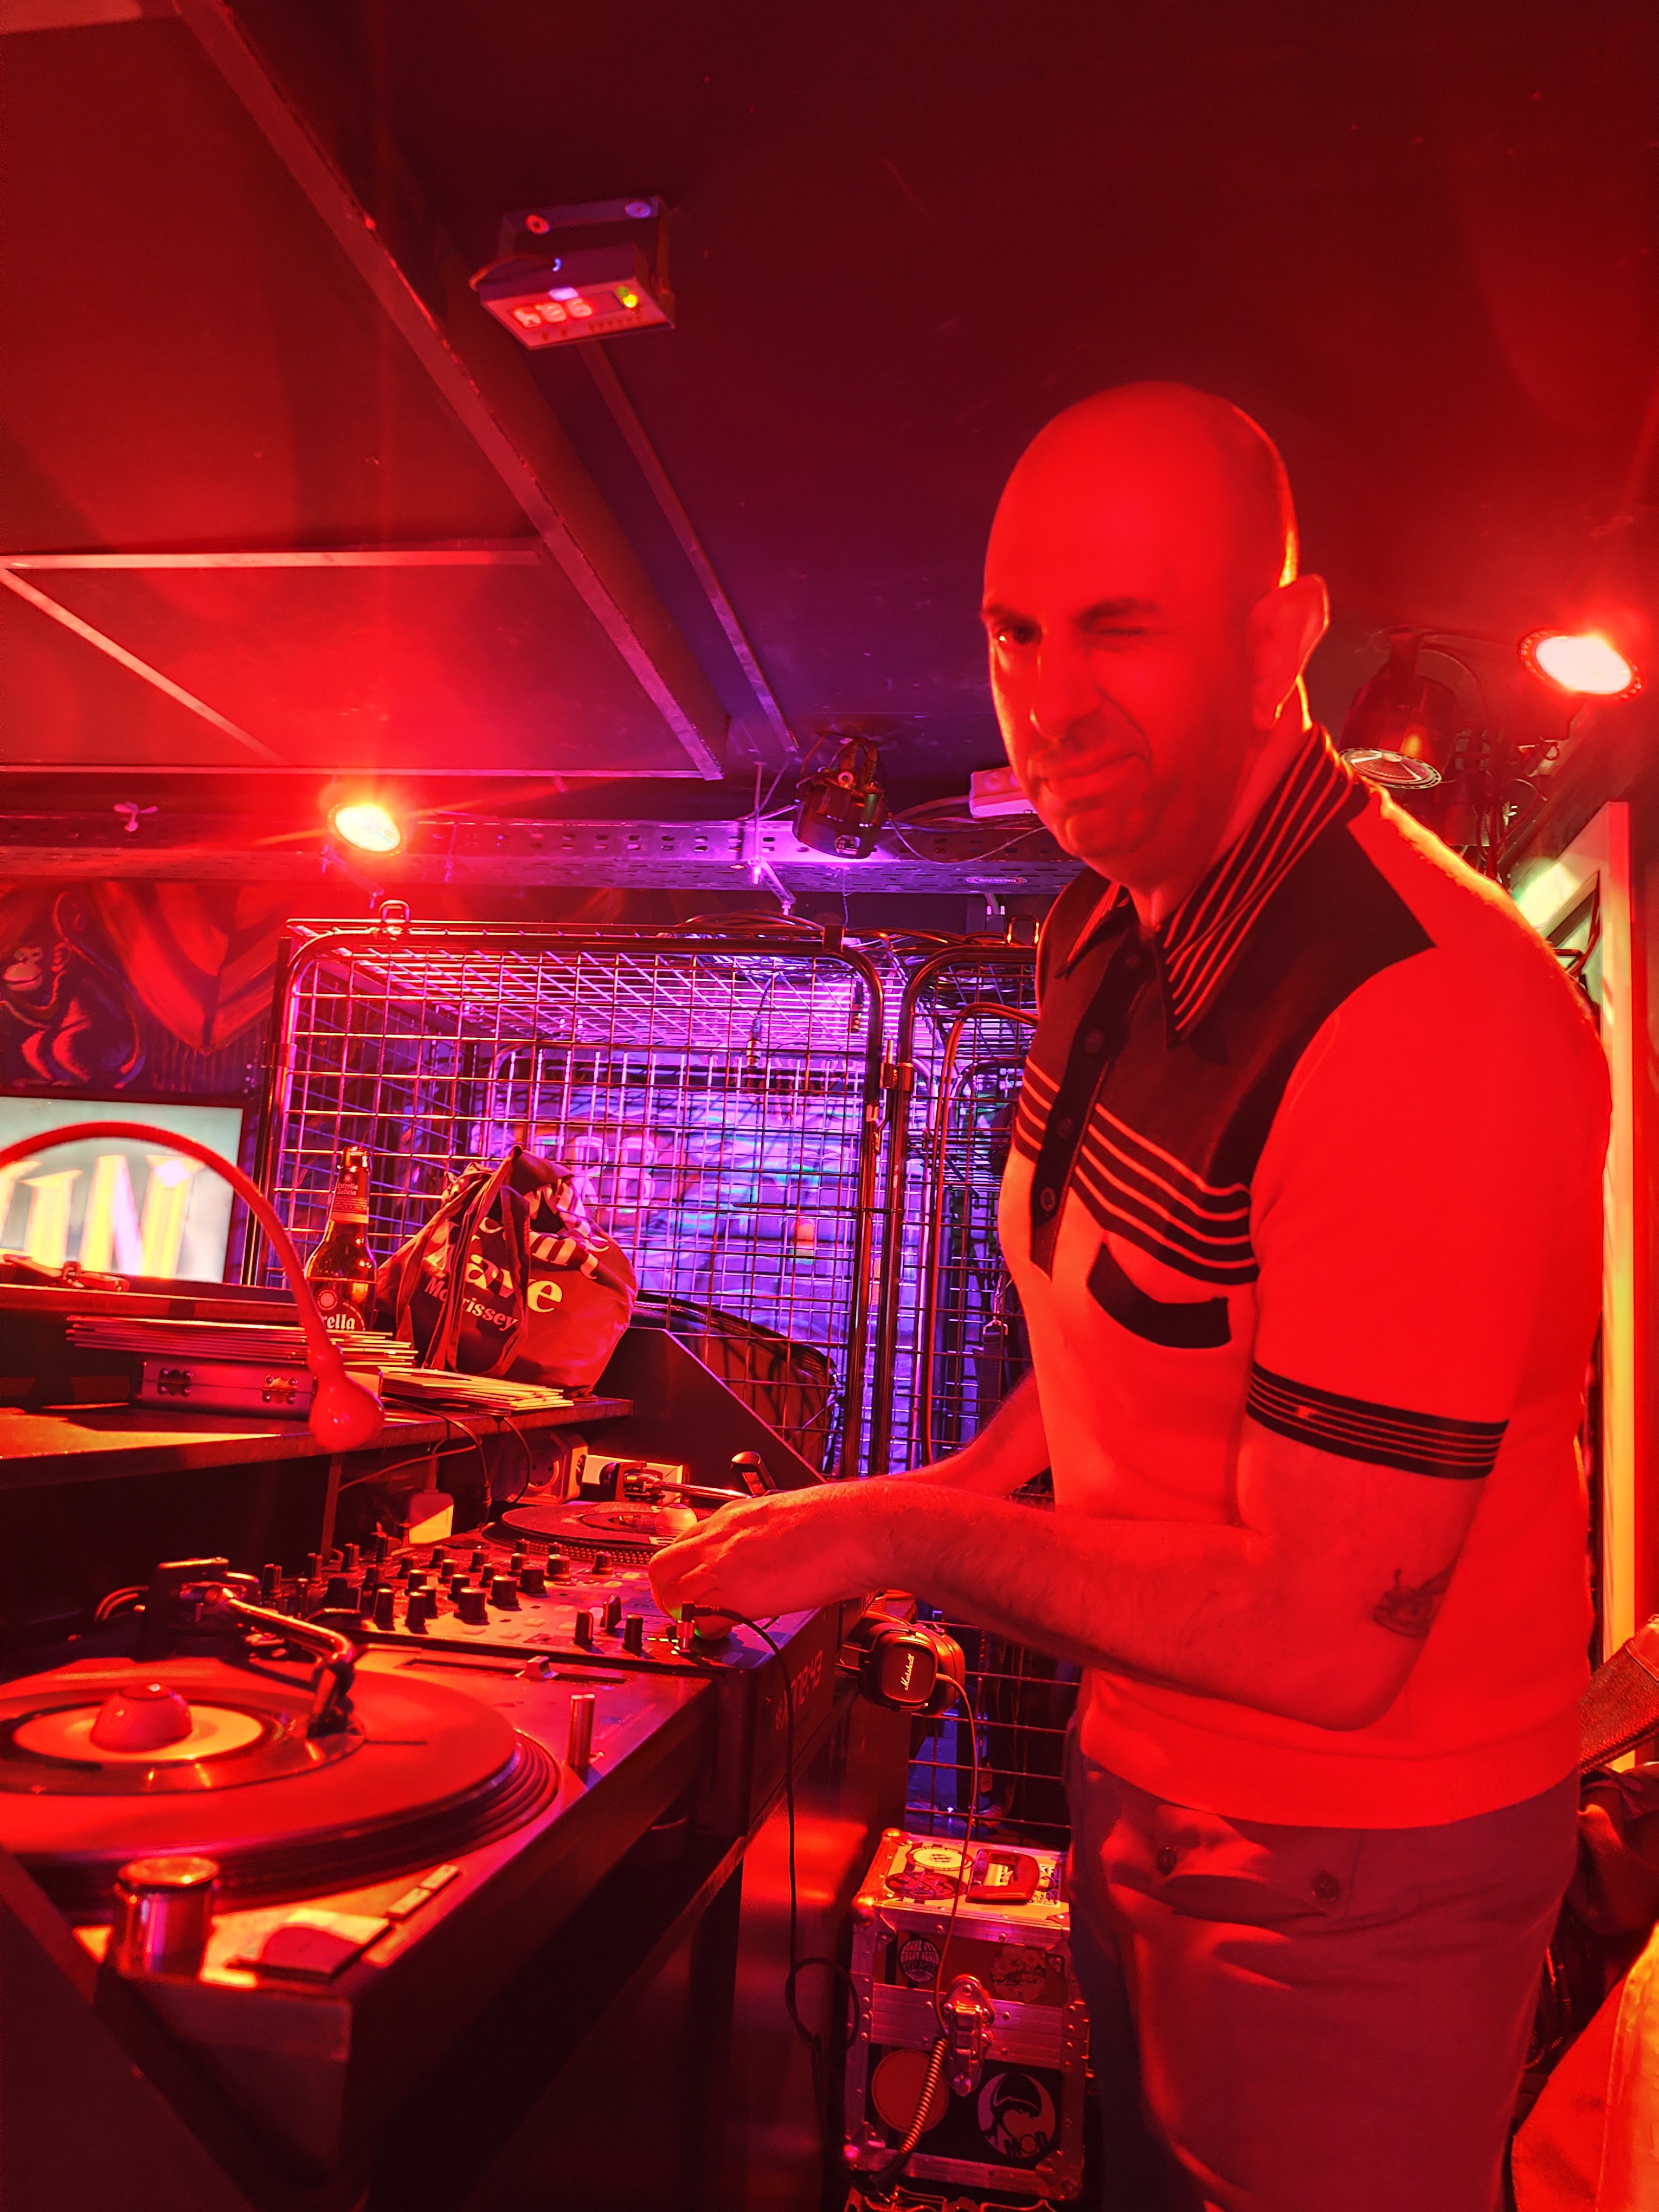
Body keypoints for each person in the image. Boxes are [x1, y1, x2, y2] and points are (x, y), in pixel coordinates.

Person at [648, 383, 1611, 2211]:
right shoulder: (1097, 927)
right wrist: (948, 1487)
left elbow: (1327, 1638)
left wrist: (897, 1536)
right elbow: (1124, 1320)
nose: (1048, 698)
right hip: (1147, 1769)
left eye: (1118, 628)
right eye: (1014, 632)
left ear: (1279, 640)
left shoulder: (1425, 1013)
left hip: (1355, 1856)